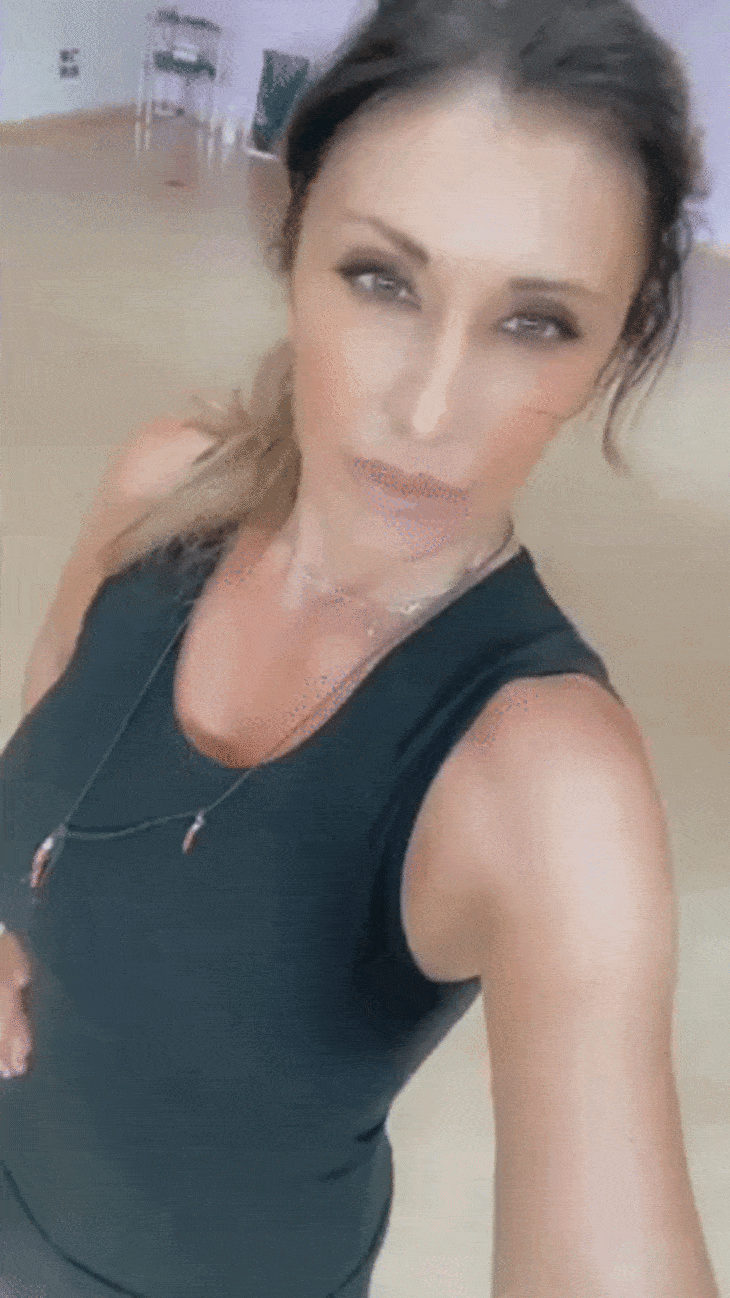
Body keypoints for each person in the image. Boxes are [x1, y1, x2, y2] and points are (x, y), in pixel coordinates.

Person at [0, 0, 721, 1295]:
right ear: (294, 244)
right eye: (383, 279)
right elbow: (47, 719)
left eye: (537, 321)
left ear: (615, 347)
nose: (431, 409)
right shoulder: (166, 486)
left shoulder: (548, 780)